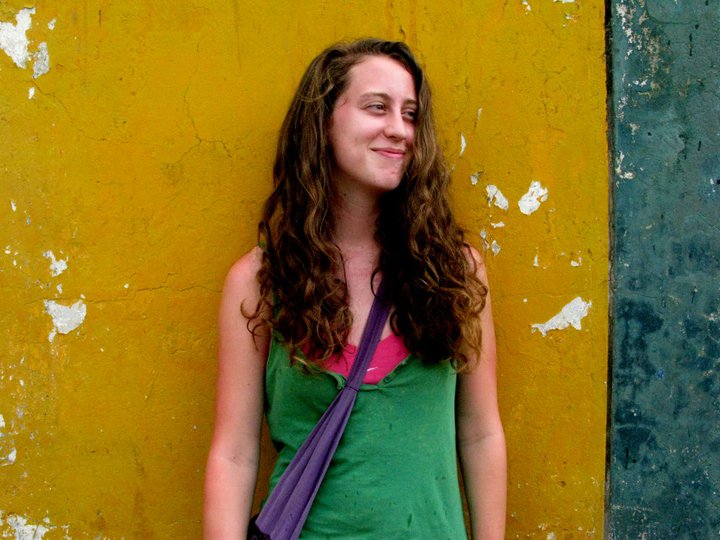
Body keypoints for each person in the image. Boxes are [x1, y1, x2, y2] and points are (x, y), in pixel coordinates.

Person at [204, 38, 506, 539]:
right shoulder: (261, 282)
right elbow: (234, 454)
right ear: (323, 121)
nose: (400, 130)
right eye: (376, 107)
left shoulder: (455, 272)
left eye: (410, 114)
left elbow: (479, 432)